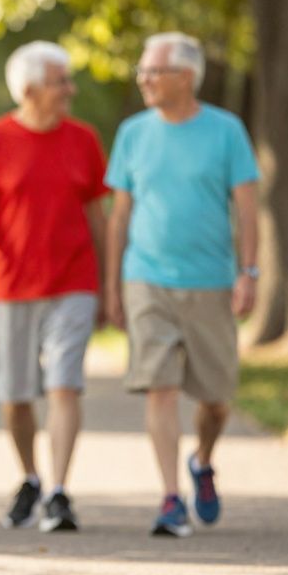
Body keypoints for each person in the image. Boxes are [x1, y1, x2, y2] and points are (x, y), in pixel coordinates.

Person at [103, 32, 260, 537]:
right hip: (146, 278)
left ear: (186, 77)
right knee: (161, 387)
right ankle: (171, 498)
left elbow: (248, 207)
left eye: (154, 71)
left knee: (216, 399)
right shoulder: (132, 133)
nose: (143, 79)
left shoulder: (226, 131)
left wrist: (249, 272)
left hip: (211, 280)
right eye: (142, 70)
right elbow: (119, 215)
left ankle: (204, 461)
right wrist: (112, 286)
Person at [0, 41, 108, 534]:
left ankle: (60, 491)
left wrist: (108, 286)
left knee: (65, 383)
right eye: (60, 81)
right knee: (16, 395)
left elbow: (98, 218)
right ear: (28, 90)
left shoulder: (84, 139)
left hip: (74, 280)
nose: (70, 89)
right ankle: (30, 477)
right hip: (12, 286)